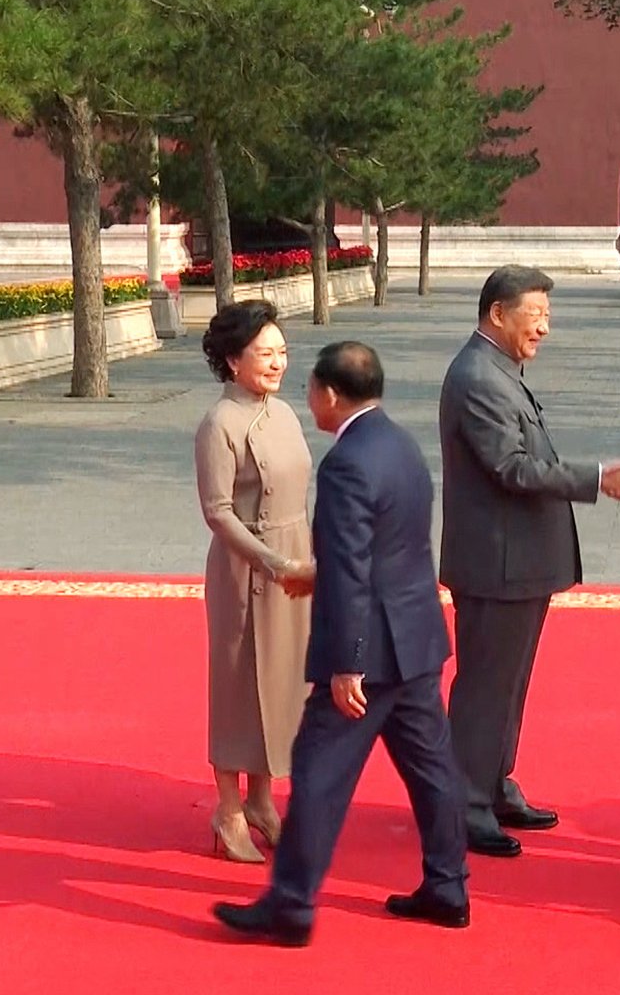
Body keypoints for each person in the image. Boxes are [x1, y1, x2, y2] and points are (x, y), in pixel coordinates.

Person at [213, 342, 470, 946]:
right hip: (415, 640)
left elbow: (355, 567)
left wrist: (348, 663)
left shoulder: (347, 462)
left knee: (318, 772)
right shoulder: (401, 446)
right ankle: (448, 885)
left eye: (310, 389)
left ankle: (291, 904)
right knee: (433, 773)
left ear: (329, 394)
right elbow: (390, 552)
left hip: (368, 656)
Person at [439, 265, 620, 858]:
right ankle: (466, 803)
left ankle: (494, 784)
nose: (545, 329)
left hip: (518, 560)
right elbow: (513, 468)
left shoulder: (500, 370)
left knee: (510, 683)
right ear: (498, 314)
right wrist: (599, 477)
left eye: (548, 317)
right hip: (496, 562)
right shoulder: (479, 375)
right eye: (537, 316)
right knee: (485, 686)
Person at [195, 301, 313, 863]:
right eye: (265, 353)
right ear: (232, 360)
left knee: (285, 684)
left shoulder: (285, 413)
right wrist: (273, 561)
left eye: (282, 352)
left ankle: (265, 800)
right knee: (240, 687)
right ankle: (230, 808)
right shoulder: (219, 423)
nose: (277, 363)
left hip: (295, 562)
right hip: (248, 569)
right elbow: (218, 512)